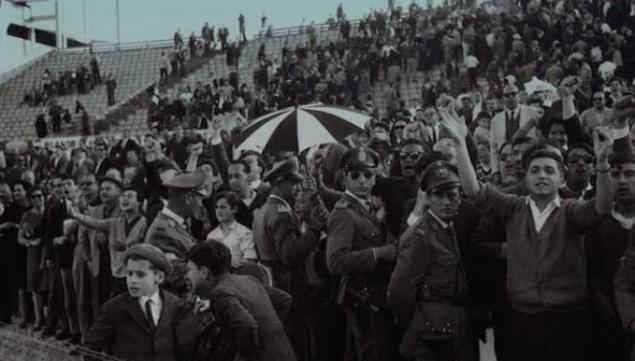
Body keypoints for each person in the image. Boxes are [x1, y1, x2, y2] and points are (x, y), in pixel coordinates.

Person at [439, 101, 612, 361]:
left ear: (561, 177)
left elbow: (603, 207)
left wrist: (602, 163)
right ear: (526, 177)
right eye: (535, 170)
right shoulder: (513, 208)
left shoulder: (571, 210)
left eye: (549, 170)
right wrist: (461, 142)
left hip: (569, 318)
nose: (542, 175)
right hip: (523, 318)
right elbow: (474, 191)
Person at [388, 161, 474, 361]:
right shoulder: (419, 236)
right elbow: (398, 291)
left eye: (451, 195)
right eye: (438, 195)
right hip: (431, 332)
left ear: (460, 197)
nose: (445, 202)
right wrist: (415, 322)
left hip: (453, 326)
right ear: (427, 198)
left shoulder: (446, 227)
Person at [252, 156, 328, 359]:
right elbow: (290, 255)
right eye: (293, 183)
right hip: (289, 283)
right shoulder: (281, 213)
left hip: (274, 280)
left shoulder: (265, 209)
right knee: (297, 337)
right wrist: (313, 231)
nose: (298, 188)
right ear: (279, 183)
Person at [326, 147, 398, 361]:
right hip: (361, 296)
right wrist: (378, 253)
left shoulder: (367, 207)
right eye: (355, 175)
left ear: (375, 179)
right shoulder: (343, 213)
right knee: (371, 353)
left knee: (359, 353)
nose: (362, 181)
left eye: (368, 175)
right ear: (344, 179)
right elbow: (335, 262)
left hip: (370, 296)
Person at [186, 241, 295, 360]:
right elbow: (284, 300)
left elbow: (247, 326)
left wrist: (244, 356)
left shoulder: (221, 293)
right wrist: (271, 332)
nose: (186, 276)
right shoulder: (248, 280)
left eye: (189, 269)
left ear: (204, 272)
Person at [84, 244, 180, 361]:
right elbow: (89, 349)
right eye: (129, 274)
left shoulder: (175, 305)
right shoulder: (114, 308)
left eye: (141, 275)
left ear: (159, 277)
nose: (133, 281)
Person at [71, 185, 147, 296]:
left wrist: (127, 248)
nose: (125, 199)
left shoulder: (144, 223)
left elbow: (148, 249)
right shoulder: (115, 222)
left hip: (137, 276)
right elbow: (93, 223)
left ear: (139, 202)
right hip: (117, 276)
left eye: (130, 196)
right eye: (123, 196)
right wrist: (76, 214)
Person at [145, 170, 207, 260]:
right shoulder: (162, 232)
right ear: (188, 197)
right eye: (199, 199)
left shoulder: (174, 224)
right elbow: (178, 270)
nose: (200, 205)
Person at [18, 186, 47, 331]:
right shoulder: (27, 216)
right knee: (36, 288)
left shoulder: (49, 212)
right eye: (34, 197)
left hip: (48, 252)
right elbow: (20, 238)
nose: (38, 199)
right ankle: (38, 319)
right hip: (34, 254)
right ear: (30, 200)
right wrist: (31, 243)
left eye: (40, 195)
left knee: (51, 287)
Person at [206, 191, 256, 268]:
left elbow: (250, 262)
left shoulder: (245, 233)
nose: (218, 211)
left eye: (223, 207)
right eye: (216, 207)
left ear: (234, 209)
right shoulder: (211, 236)